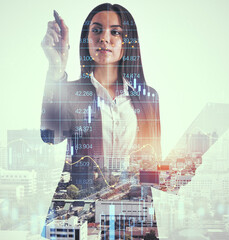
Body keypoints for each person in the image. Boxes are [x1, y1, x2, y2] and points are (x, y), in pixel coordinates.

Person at [40, 1, 161, 225]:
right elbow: (50, 135)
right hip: (82, 212)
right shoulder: (72, 92)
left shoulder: (148, 97)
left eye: (115, 32)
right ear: (86, 39)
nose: (104, 38)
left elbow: (152, 165)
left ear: (128, 42)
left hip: (132, 213)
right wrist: (56, 68)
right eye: (96, 30)